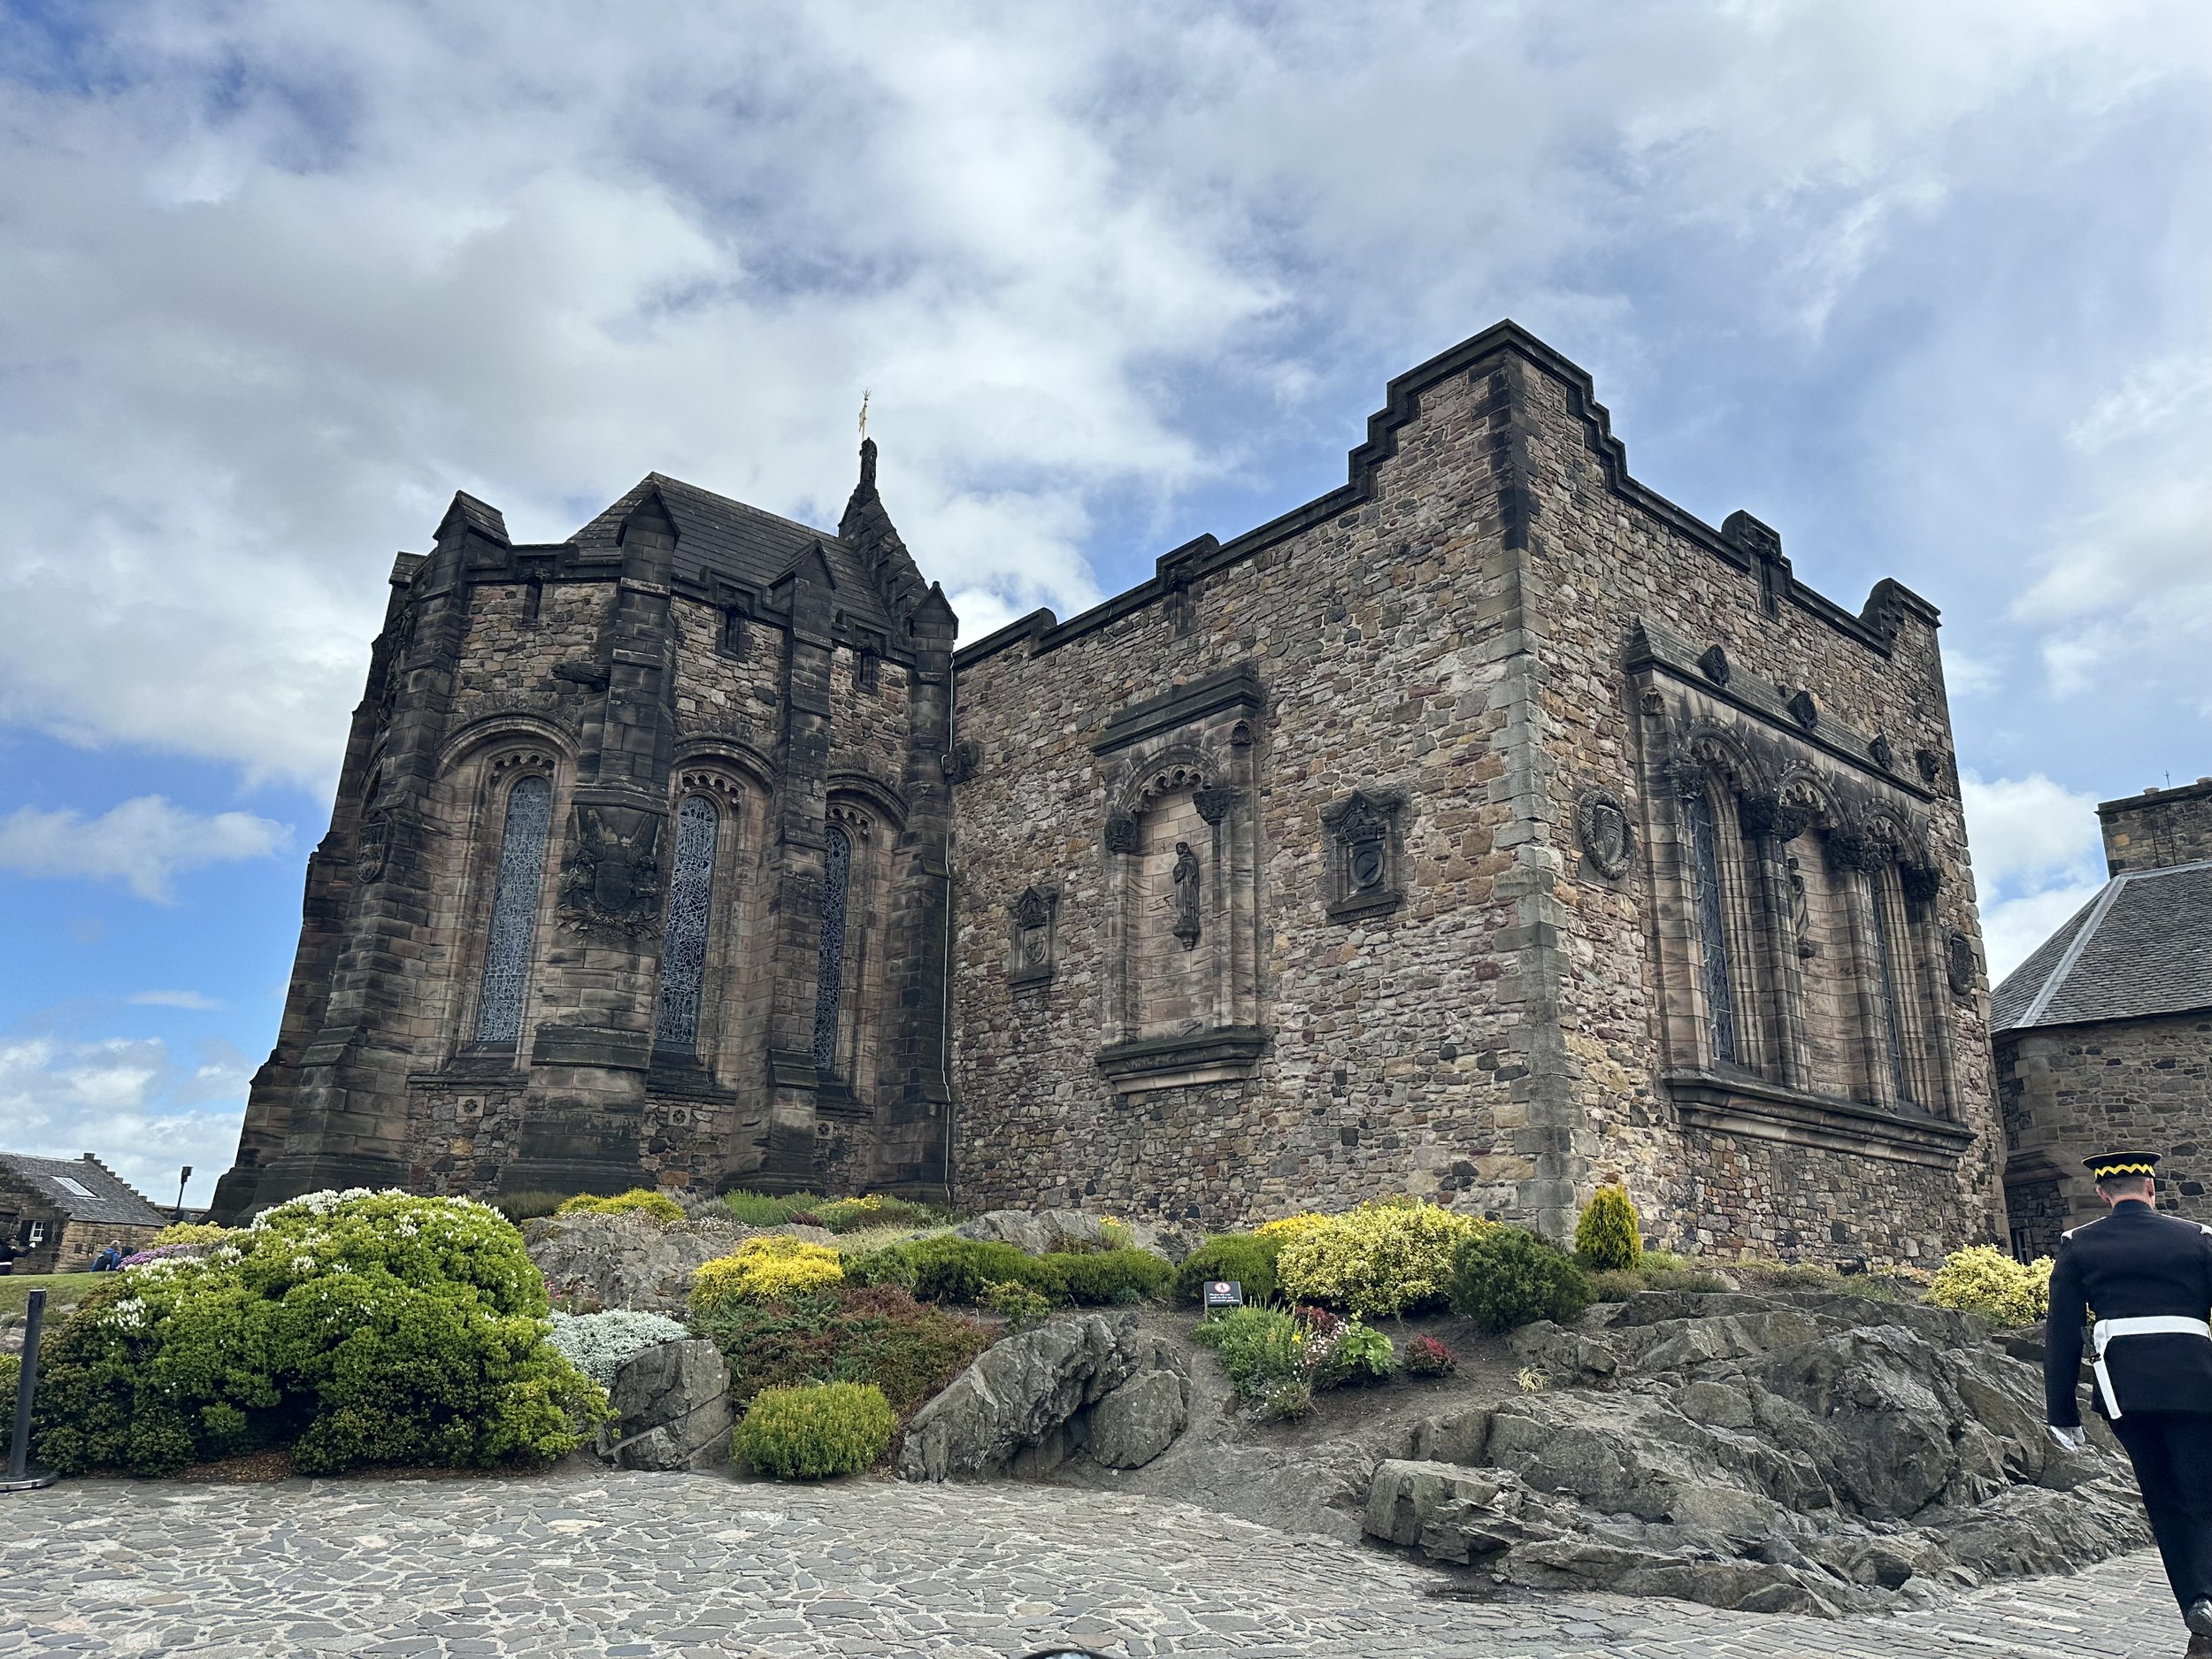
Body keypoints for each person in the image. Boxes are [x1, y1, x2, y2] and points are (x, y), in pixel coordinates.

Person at [2046, 1149, 2212, 1653]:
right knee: (2201, 1493)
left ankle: (2199, 1611)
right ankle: (2207, 1600)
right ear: (2152, 1188)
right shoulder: (2198, 1239)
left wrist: (2062, 1413)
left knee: (2164, 1503)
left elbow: (2062, 1334)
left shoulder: (2079, 1244)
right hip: (2197, 1384)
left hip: (2127, 1391)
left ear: (2102, 1194)